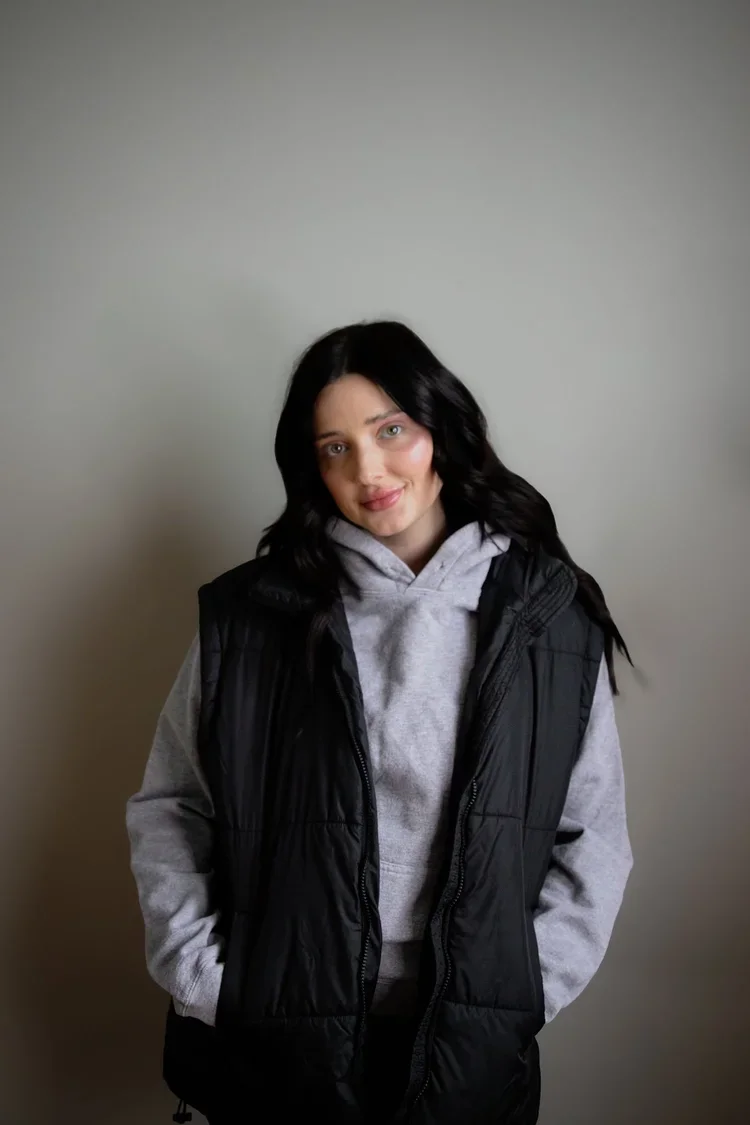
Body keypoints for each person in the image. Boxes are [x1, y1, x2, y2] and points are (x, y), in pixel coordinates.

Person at [126, 320, 633, 1125]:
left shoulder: (550, 619)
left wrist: (523, 990)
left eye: (389, 430)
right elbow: (170, 804)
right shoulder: (254, 615)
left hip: (467, 1041)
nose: (368, 470)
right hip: (266, 1032)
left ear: (440, 427)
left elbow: (594, 837)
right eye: (334, 448)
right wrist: (203, 976)